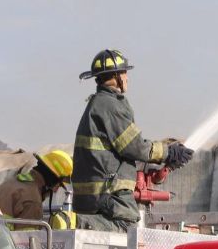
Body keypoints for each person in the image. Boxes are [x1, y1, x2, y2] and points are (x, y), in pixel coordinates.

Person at [70, 49, 194, 232]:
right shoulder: (109, 105)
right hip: (108, 194)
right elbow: (134, 146)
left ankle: (78, 222)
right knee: (128, 227)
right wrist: (169, 153)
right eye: (124, 72)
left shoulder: (98, 104)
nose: (127, 78)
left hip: (95, 196)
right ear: (116, 76)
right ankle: (76, 223)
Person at [0, 149, 73, 221]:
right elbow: (29, 232)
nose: (56, 191)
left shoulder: (12, 182)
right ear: (52, 179)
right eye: (58, 185)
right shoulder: (33, 200)